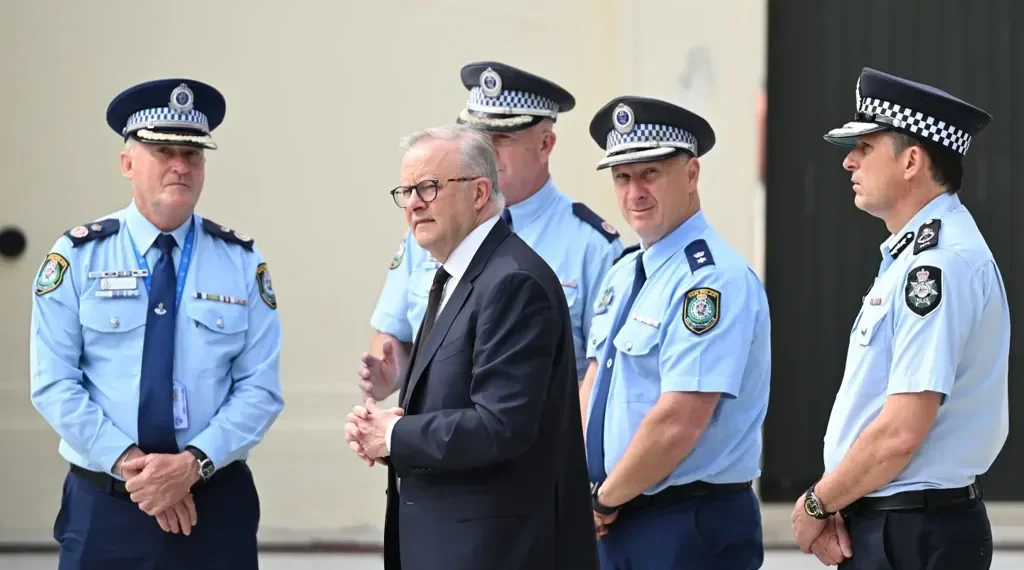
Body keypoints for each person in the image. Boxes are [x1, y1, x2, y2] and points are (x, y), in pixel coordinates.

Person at [29, 78, 285, 570]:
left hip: (213, 503)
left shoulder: (240, 260)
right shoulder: (77, 257)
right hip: (108, 505)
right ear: (127, 164)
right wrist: (137, 469)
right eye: (163, 150)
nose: (180, 165)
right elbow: (54, 382)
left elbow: (260, 388)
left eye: (193, 154)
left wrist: (190, 466)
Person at [345, 124, 599, 570]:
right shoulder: (454, 276)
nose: (413, 203)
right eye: (404, 191)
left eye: (428, 187)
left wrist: (393, 434)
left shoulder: (512, 281)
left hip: (497, 551)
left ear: (480, 192)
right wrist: (384, 432)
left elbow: (500, 425)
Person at [790, 67, 1007, 569]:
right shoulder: (915, 256)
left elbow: (899, 432)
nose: (848, 161)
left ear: (912, 160)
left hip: (912, 535)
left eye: (865, 147)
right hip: (895, 525)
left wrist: (819, 502)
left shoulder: (936, 265)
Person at [581, 96, 771, 570]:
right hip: (616, 516)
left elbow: (679, 420)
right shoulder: (625, 271)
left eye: (650, 174)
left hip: (686, 523)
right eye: (622, 177)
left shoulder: (710, 280)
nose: (634, 193)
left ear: (691, 174)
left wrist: (603, 499)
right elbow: (593, 383)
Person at [361, 61, 623, 400]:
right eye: (477, 138)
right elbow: (395, 334)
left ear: (545, 144)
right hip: (428, 441)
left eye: (501, 139)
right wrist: (390, 371)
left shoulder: (592, 245)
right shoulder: (433, 228)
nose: (485, 152)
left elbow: (601, 372)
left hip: (528, 442)